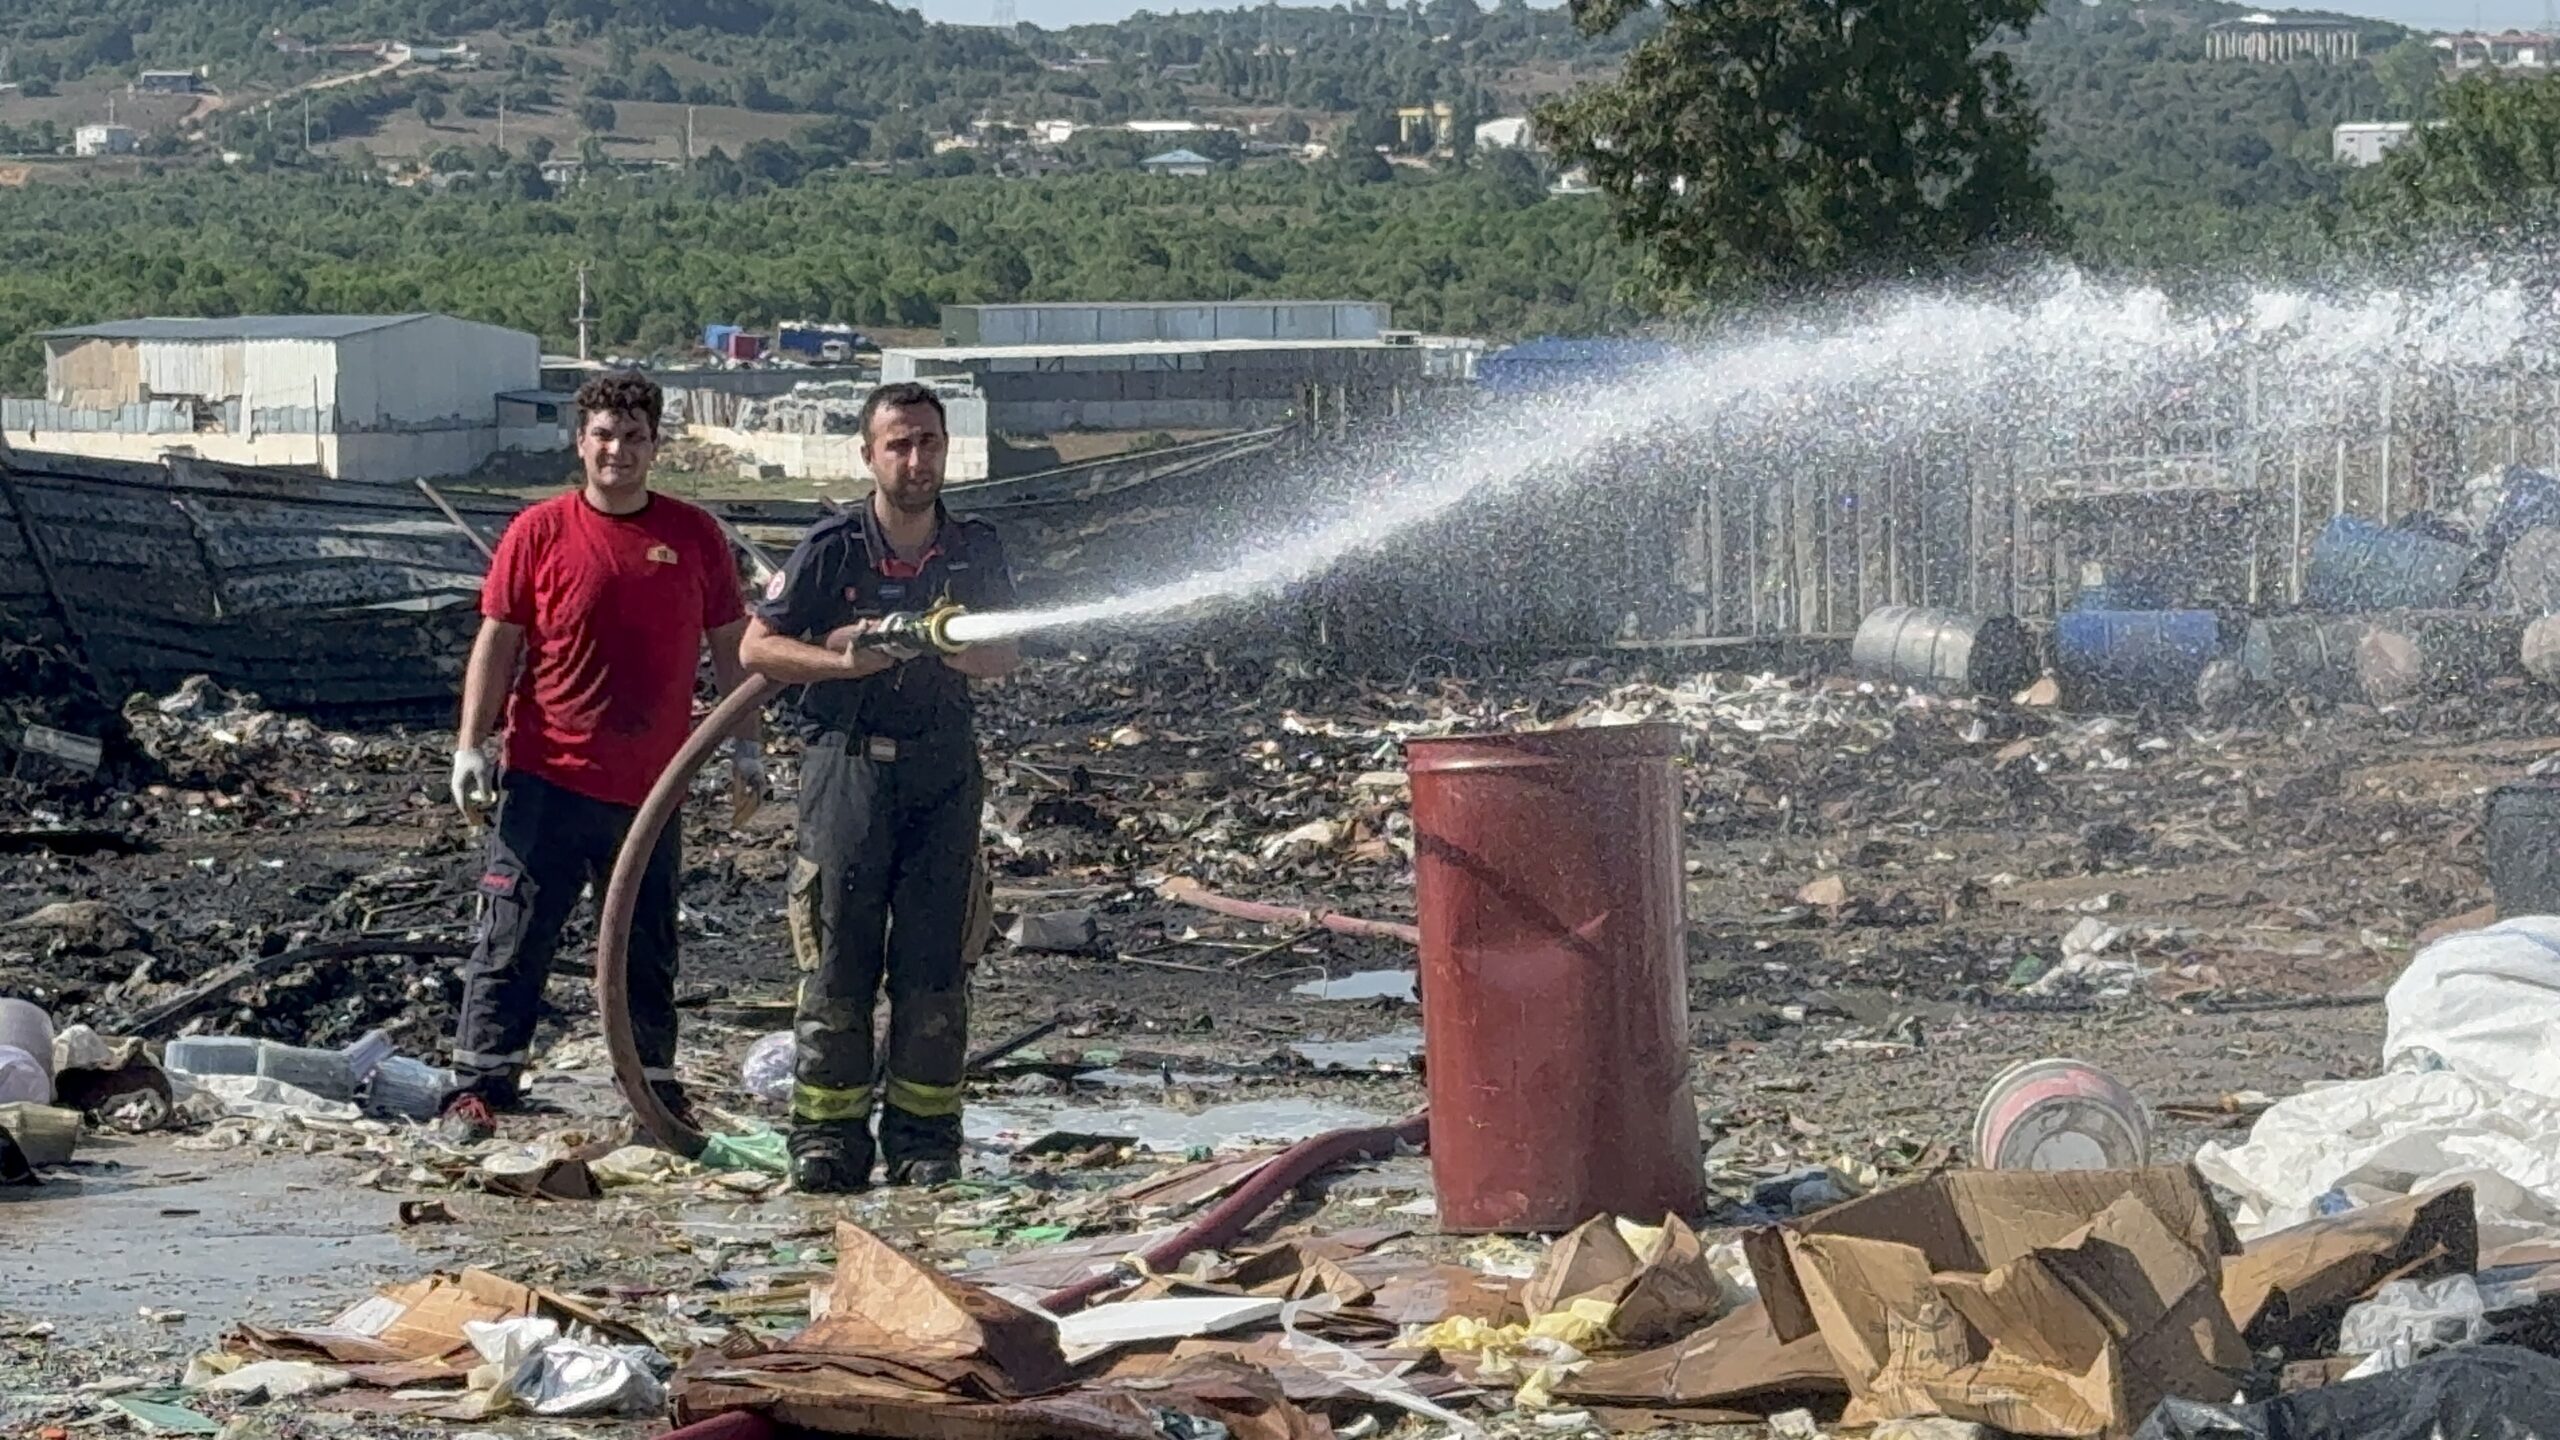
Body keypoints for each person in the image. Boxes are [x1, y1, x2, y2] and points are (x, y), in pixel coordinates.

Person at [442, 370, 765, 1143]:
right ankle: (479, 1086)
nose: (618, 450)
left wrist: (744, 745)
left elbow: (730, 641)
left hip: (651, 788)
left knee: (645, 946)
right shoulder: (539, 532)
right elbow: (500, 639)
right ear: (580, 441)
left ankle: (653, 1089)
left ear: (657, 445)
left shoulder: (693, 537)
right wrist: (469, 746)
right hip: (546, 777)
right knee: (514, 935)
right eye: (604, 436)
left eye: (635, 437)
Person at [740, 381, 1020, 1192]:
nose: (915, 458)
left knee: (936, 962)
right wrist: (846, 658)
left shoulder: (975, 550)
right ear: (868, 455)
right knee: (837, 958)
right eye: (898, 443)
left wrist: (940, 642)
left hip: (942, 766)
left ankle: (926, 1141)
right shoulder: (833, 548)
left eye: (929, 442)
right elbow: (760, 649)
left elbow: (1007, 656)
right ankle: (827, 1140)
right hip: (846, 764)